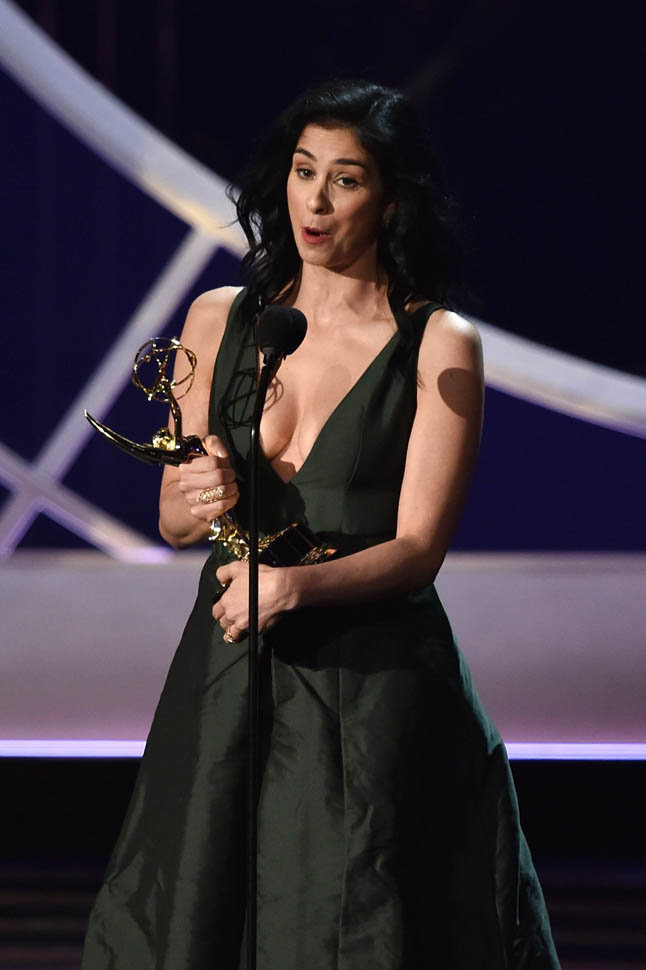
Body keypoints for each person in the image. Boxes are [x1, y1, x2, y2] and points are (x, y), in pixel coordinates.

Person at [81, 80, 560, 969]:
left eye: (346, 179)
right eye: (305, 172)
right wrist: (202, 490)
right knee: (198, 909)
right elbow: (175, 521)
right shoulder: (219, 318)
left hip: (372, 684)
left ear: (392, 199)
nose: (315, 201)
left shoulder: (438, 342)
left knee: (356, 918)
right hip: (230, 672)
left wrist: (292, 587)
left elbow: (418, 550)